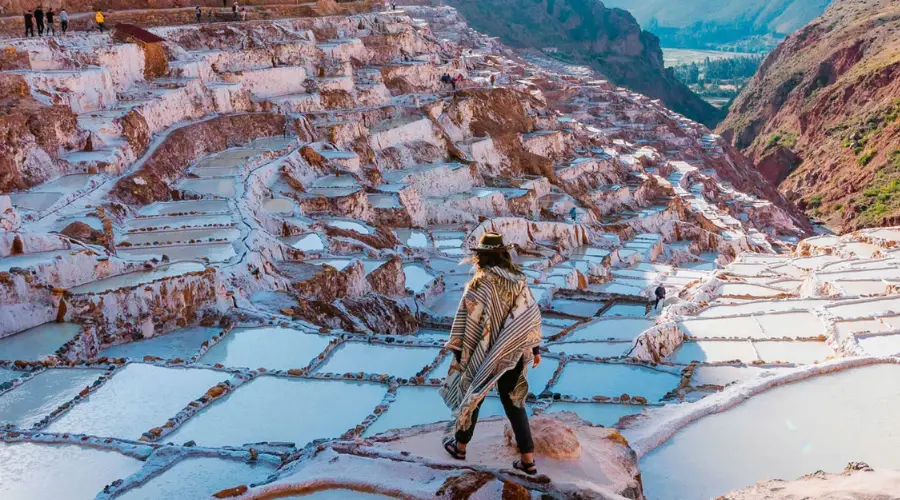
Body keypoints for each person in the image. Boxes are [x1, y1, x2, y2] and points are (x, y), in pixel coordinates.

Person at [441, 232, 543, 476]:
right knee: (514, 403)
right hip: (513, 351)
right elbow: (530, 316)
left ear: (482, 256)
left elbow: (465, 320)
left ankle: (461, 447)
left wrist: (458, 351)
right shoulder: (519, 281)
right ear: (503, 254)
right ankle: (528, 460)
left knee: (473, 395)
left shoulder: (479, 284)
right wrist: (535, 348)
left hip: (482, 352)